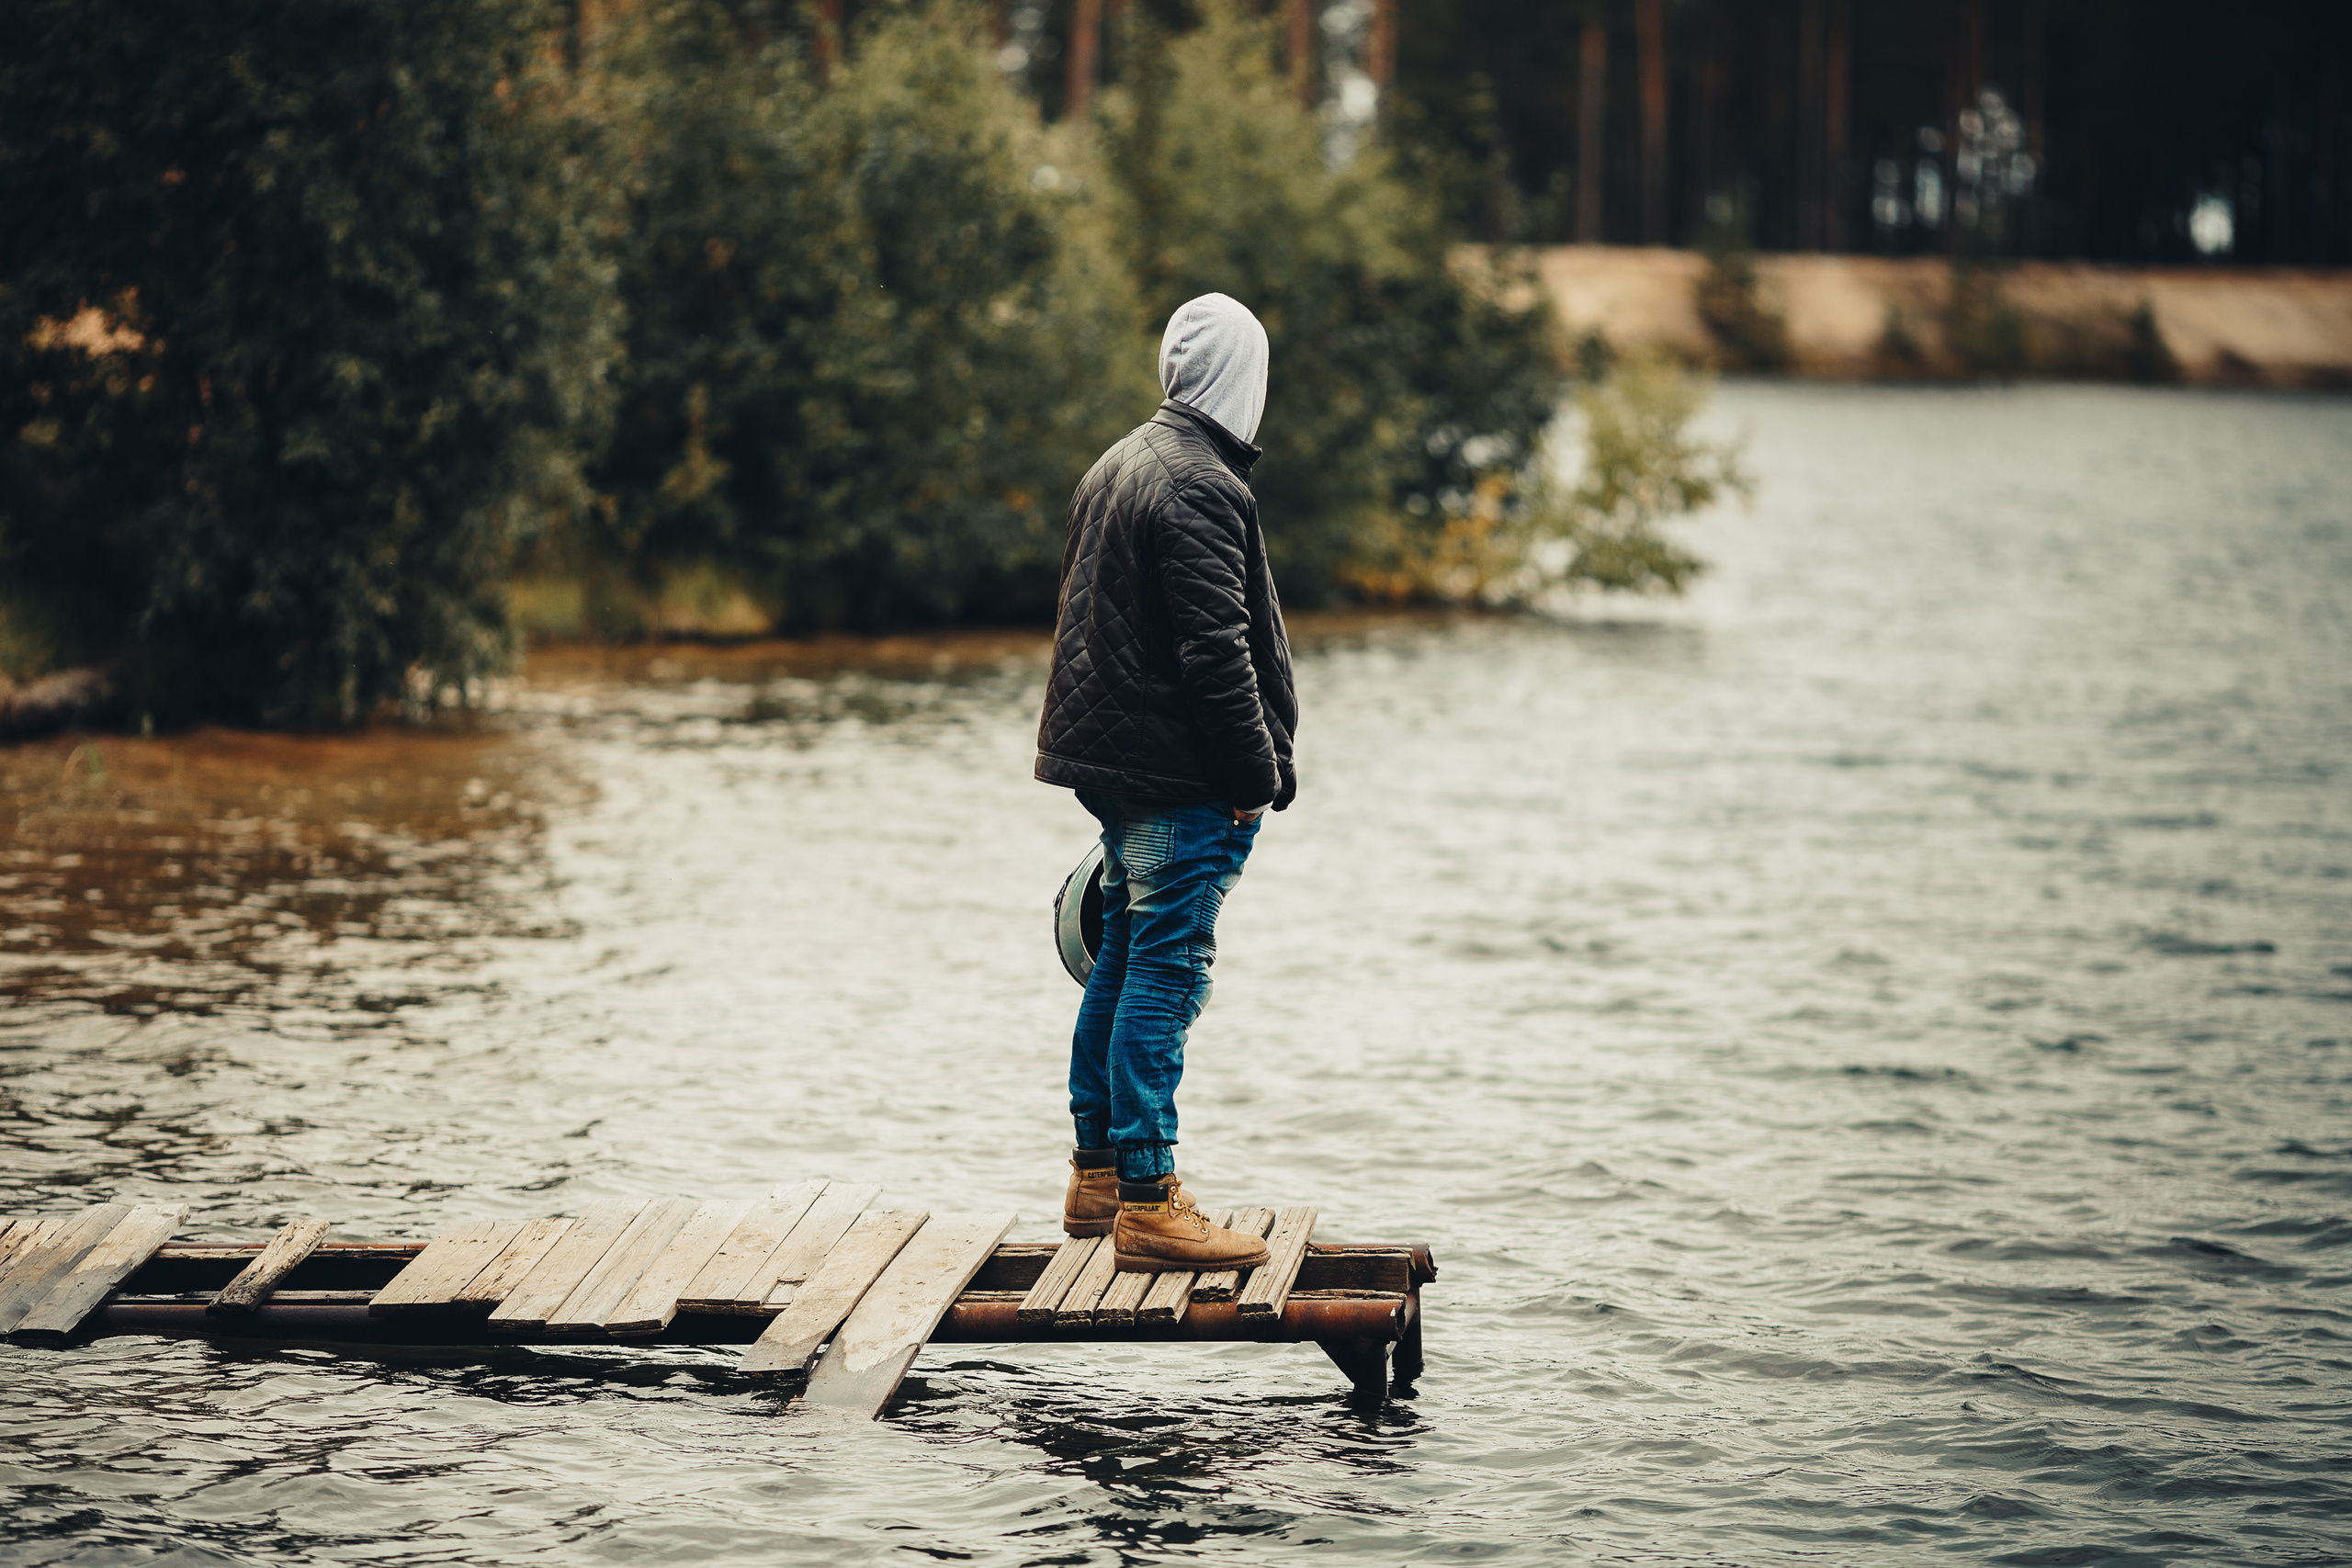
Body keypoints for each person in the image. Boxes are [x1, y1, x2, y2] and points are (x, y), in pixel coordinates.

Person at [1034, 293, 1298, 1273]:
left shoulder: (1120, 461)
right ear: (1242, 380)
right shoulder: (1200, 483)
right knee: (1167, 965)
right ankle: (1148, 1198)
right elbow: (1214, 652)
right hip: (1179, 774)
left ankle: (1097, 1174)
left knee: (1126, 956)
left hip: (1118, 767)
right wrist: (1253, 775)